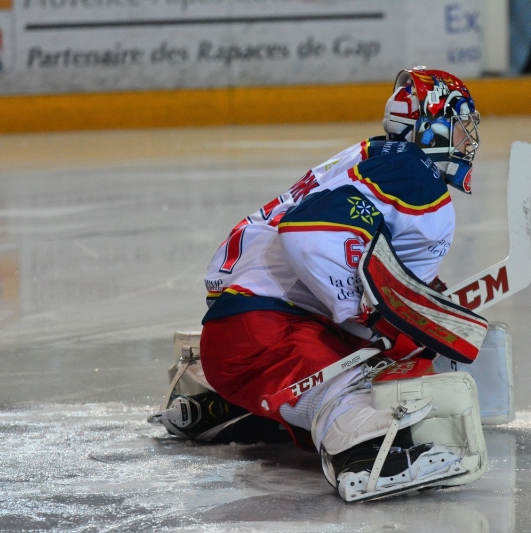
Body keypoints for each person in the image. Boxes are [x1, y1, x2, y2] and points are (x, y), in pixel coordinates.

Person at [197, 67, 488, 501]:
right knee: (362, 380)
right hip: (266, 334)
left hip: (239, 330)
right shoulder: (417, 177)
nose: (468, 136)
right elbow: (307, 231)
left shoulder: (373, 155)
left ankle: (229, 406)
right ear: (428, 126)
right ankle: (363, 454)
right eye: (459, 122)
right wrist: (364, 311)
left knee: (388, 348)